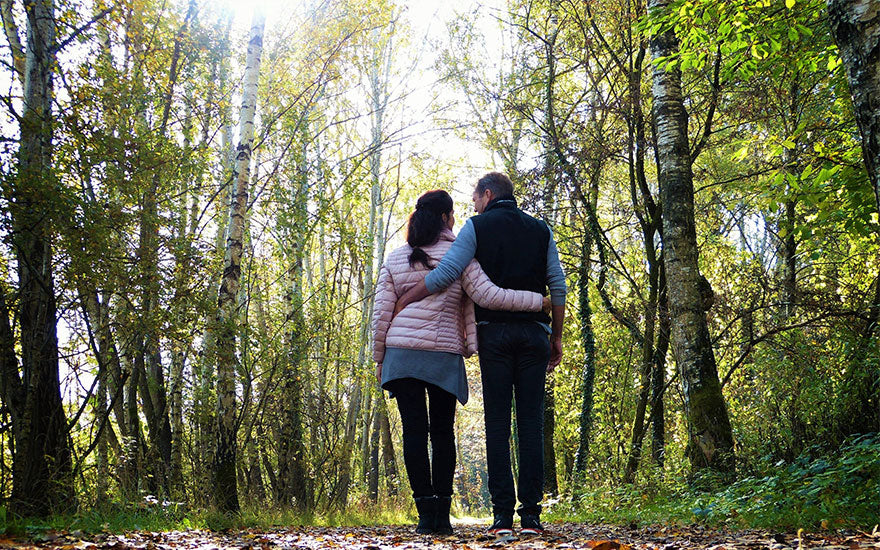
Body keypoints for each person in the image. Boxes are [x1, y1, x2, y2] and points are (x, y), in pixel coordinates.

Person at [394, 172, 566, 536]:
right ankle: (531, 516)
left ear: (487, 195)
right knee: (532, 423)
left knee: (498, 425)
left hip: (495, 336)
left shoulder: (476, 227)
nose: (472, 205)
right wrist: (557, 337)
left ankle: (502, 515)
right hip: (535, 331)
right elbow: (559, 285)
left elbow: (447, 274)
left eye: (474, 198)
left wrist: (405, 301)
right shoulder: (541, 229)